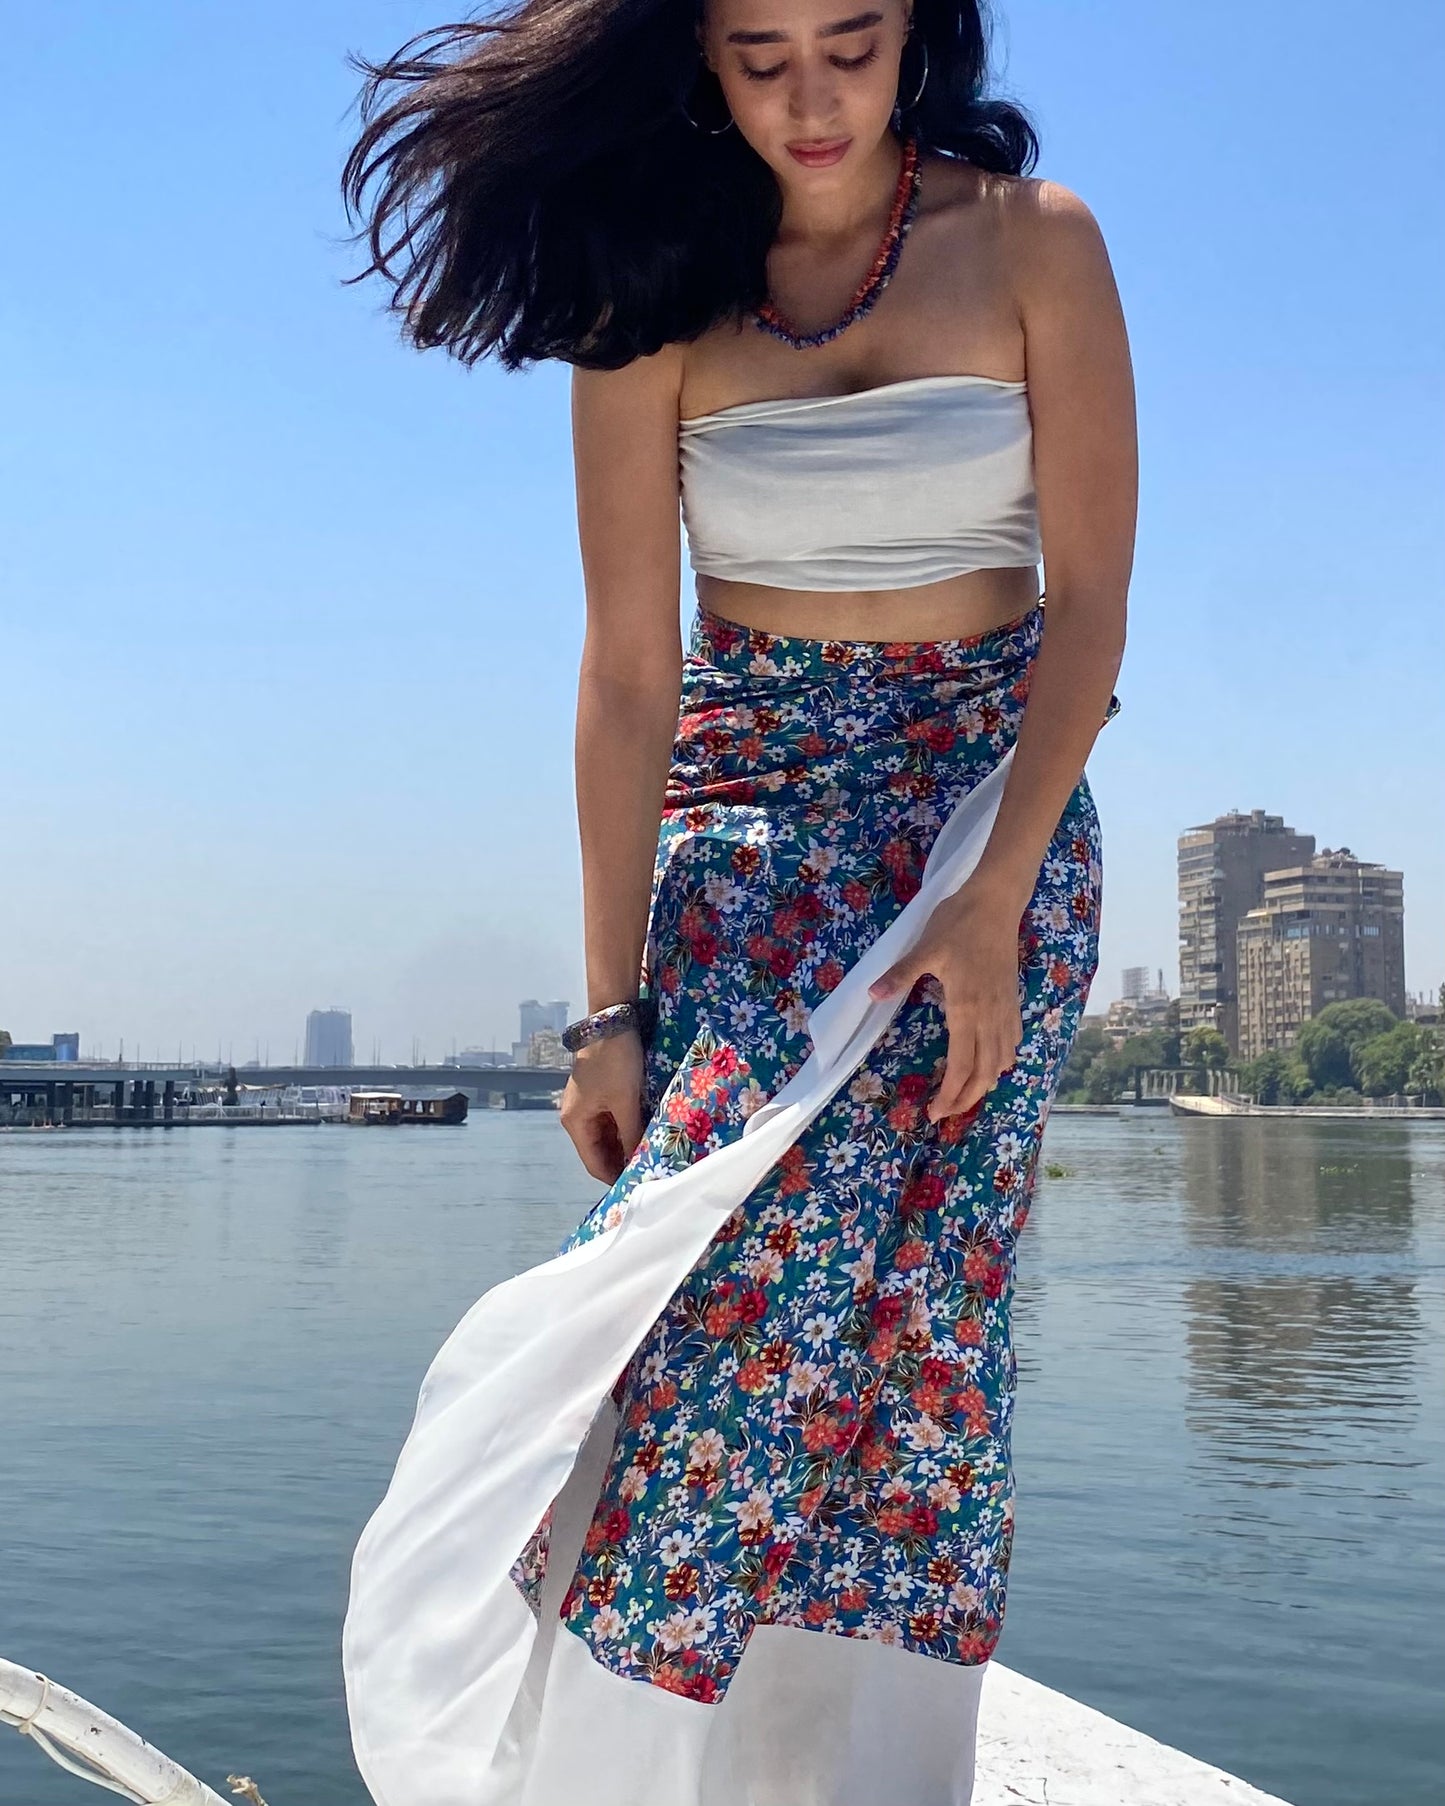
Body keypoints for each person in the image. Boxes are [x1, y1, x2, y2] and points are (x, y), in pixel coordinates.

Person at [338, 1, 1135, 1801]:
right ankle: (603, 1762)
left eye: (849, 39)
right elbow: (630, 671)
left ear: (917, 33)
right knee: (717, 1319)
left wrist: (994, 898)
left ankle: (852, 1775)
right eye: (758, 51)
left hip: (980, 831)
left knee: (921, 1343)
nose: (810, 94)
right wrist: (605, 1006)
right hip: (751, 853)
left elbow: (1085, 614)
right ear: (695, 58)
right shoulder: (649, 301)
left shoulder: (1036, 248)